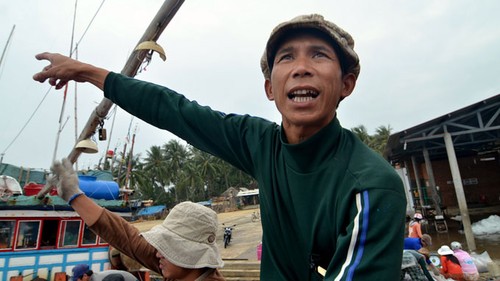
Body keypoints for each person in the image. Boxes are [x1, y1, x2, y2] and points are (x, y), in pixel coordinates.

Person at [34, 13, 407, 280]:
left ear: (347, 83)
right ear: (270, 89)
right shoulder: (261, 143)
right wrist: (84, 71)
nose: (302, 67)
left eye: (319, 55)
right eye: (286, 57)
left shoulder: (371, 186)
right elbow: (177, 112)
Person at [50, 159, 225, 281]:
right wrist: (74, 195)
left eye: (168, 246)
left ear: (188, 253)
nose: (157, 253)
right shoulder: (180, 269)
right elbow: (126, 237)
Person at [71, 264, 138, 281]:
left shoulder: (99, 279)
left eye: (78, 280)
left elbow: (118, 277)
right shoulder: (93, 278)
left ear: (85, 276)